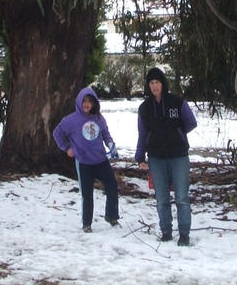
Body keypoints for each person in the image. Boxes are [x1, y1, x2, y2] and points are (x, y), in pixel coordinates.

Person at [134, 66, 197, 245]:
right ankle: (166, 232)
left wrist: (176, 132)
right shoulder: (145, 108)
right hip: (156, 158)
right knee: (162, 198)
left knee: (182, 197)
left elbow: (191, 122)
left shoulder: (177, 102)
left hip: (178, 156)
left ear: (163, 83)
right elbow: (142, 133)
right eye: (151, 83)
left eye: (157, 82)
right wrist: (140, 157)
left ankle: (184, 233)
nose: (154, 86)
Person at [52, 87, 120, 232]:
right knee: (87, 194)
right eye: (84, 101)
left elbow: (106, 135)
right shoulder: (70, 120)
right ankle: (87, 223)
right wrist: (67, 148)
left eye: (90, 101)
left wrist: (111, 145)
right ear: (79, 102)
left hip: (101, 160)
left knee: (112, 187)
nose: (87, 104)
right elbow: (57, 133)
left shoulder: (99, 119)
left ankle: (112, 216)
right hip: (84, 163)